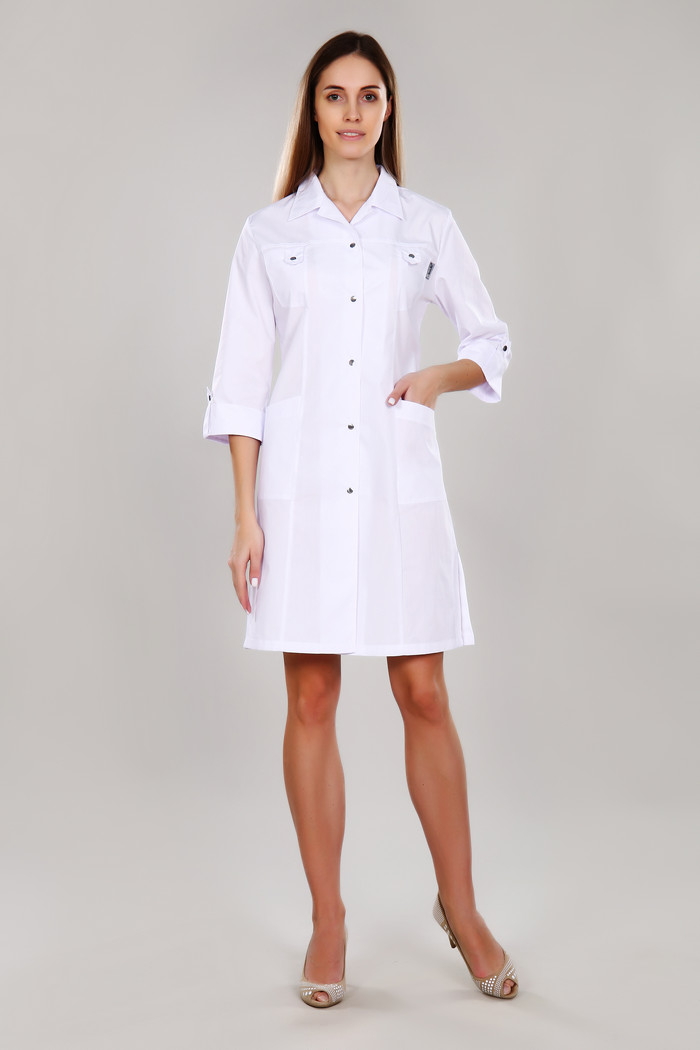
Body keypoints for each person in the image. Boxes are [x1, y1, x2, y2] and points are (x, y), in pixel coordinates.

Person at [203, 30, 519, 1007]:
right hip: (297, 492)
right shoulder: (269, 234)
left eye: (368, 94)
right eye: (334, 94)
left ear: (388, 110)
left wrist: (437, 377)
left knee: (423, 692)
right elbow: (240, 384)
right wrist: (245, 516)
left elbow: (492, 339)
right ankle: (328, 918)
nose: (351, 111)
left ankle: (461, 907)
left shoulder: (424, 225)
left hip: (394, 485)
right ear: (314, 109)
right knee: (311, 699)